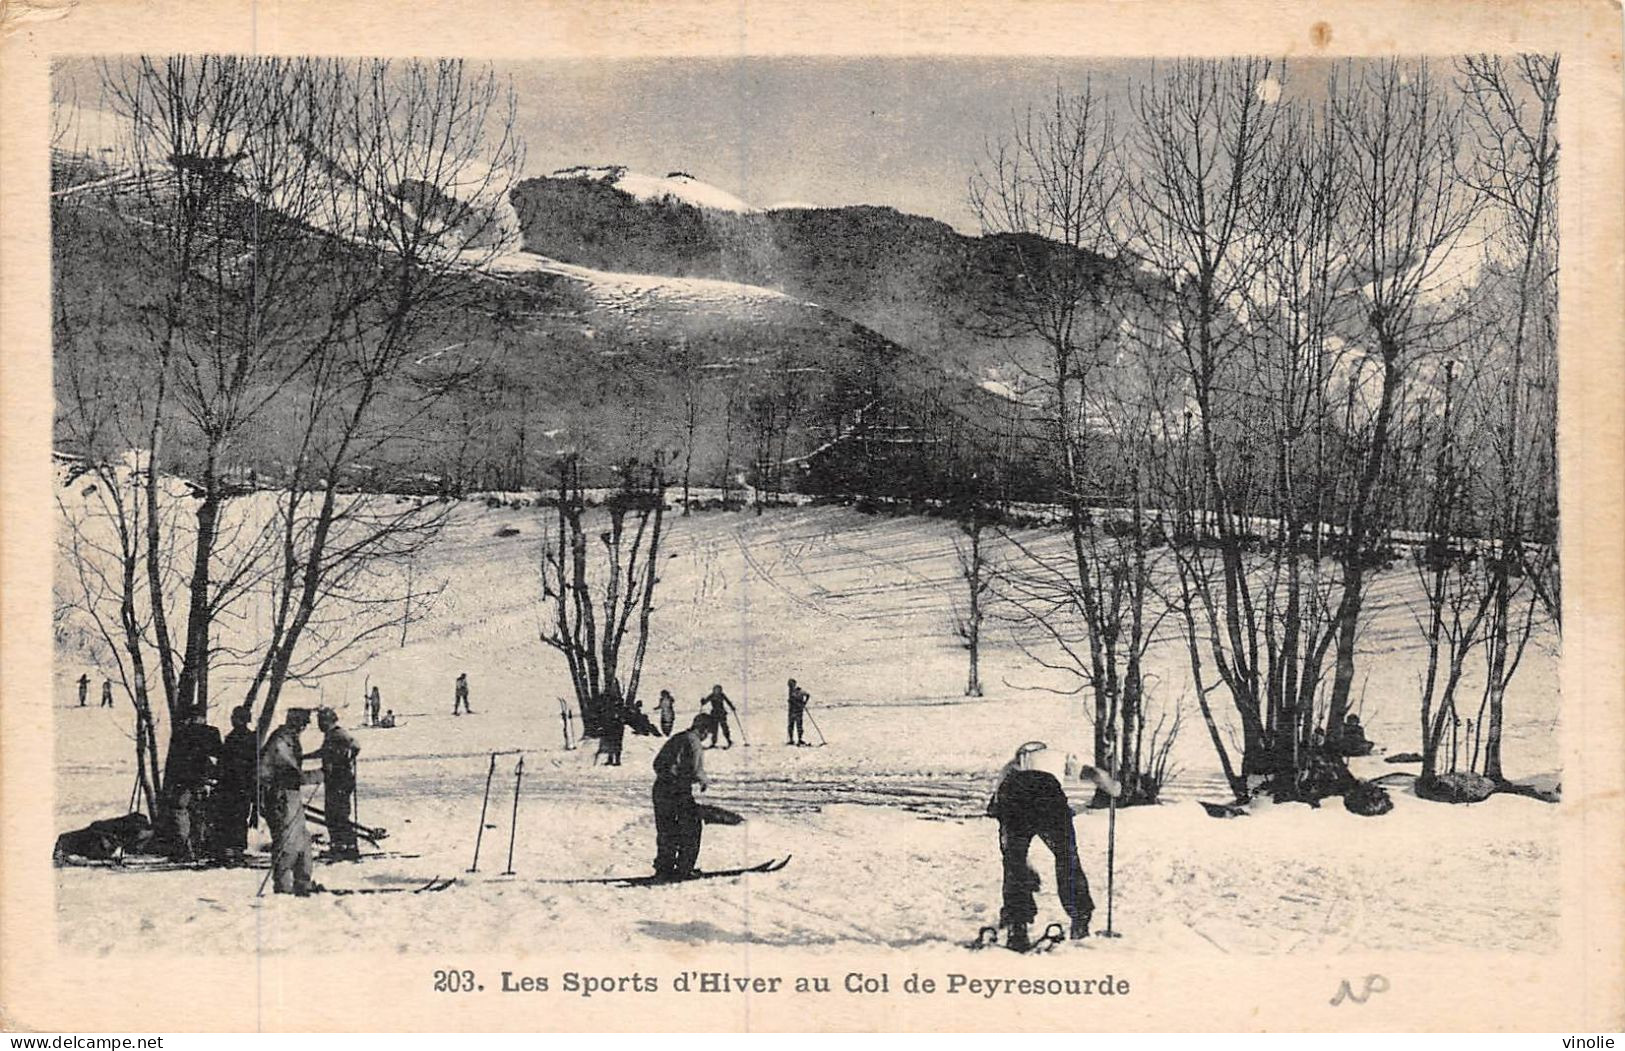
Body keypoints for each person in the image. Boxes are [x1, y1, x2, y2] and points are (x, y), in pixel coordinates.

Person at [986, 741, 1104, 950]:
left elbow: (996, 809)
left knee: (1014, 862)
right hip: (1048, 795)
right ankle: (1080, 918)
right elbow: (1092, 774)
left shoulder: (1010, 767)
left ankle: (1017, 925)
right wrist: (1112, 787)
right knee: (1066, 856)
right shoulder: (1059, 754)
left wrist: (1023, 862)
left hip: (1013, 795)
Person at [260, 708, 321, 895]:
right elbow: (292, 774)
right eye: (301, 723)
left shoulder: (290, 739)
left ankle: (302, 881)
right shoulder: (280, 742)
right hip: (279, 796)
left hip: (290, 795)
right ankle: (283, 886)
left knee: (303, 839)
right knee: (287, 842)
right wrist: (322, 774)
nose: (303, 727)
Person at [652, 712, 714, 879]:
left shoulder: (677, 737)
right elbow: (695, 769)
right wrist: (703, 781)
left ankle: (664, 869)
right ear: (704, 730)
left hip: (660, 787)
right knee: (691, 827)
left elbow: (657, 762)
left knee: (667, 830)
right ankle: (684, 869)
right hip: (677, 789)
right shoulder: (694, 742)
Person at [162, 706, 222, 861]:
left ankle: (186, 848)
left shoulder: (181, 733)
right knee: (200, 814)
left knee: (181, 811)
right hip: (204, 780)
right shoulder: (211, 732)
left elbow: (174, 760)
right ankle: (200, 846)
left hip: (184, 780)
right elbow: (219, 755)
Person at [211, 705, 258, 864]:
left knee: (230, 818)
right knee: (239, 818)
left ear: (240, 719)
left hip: (233, 785)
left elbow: (225, 762)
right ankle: (236, 850)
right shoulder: (251, 738)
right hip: (243, 786)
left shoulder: (233, 738)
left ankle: (231, 851)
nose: (232, 719)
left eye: (235, 717)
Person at [315, 707, 361, 861]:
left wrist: (344, 759)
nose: (319, 724)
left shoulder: (337, 734)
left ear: (328, 721)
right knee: (333, 813)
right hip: (336, 779)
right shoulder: (331, 735)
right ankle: (340, 845)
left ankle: (346, 847)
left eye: (321, 721)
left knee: (338, 814)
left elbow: (355, 746)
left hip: (340, 779)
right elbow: (324, 752)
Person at [701, 684, 737, 749]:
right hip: (714, 714)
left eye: (718, 690)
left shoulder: (722, 695)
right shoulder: (711, 696)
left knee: (724, 727)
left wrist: (732, 707)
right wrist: (703, 701)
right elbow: (705, 702)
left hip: (721, 713)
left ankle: (729, 740)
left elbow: (728, 702)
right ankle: (713, 742)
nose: (716, 691)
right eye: (715, 690)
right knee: (714, 729)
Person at [597, 688, 626, 766]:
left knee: (616, 743)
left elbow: (622, 716)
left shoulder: (618, 706)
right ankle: (611, 759)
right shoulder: (608, 706)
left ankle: (617, 760)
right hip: (611, 726)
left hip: (617, 726)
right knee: (611, 742)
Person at [786, 678, 810, 746]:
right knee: (790, 726)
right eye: (789, 685)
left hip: (798, 711)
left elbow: (808, 695)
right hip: (791, 712)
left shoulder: (799, 691)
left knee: (799, 726)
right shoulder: (790, 692)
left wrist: (804, 703)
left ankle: (800, 739)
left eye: (791, 685)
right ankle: (791, 740)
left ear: (794, 684)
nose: (790, 686)